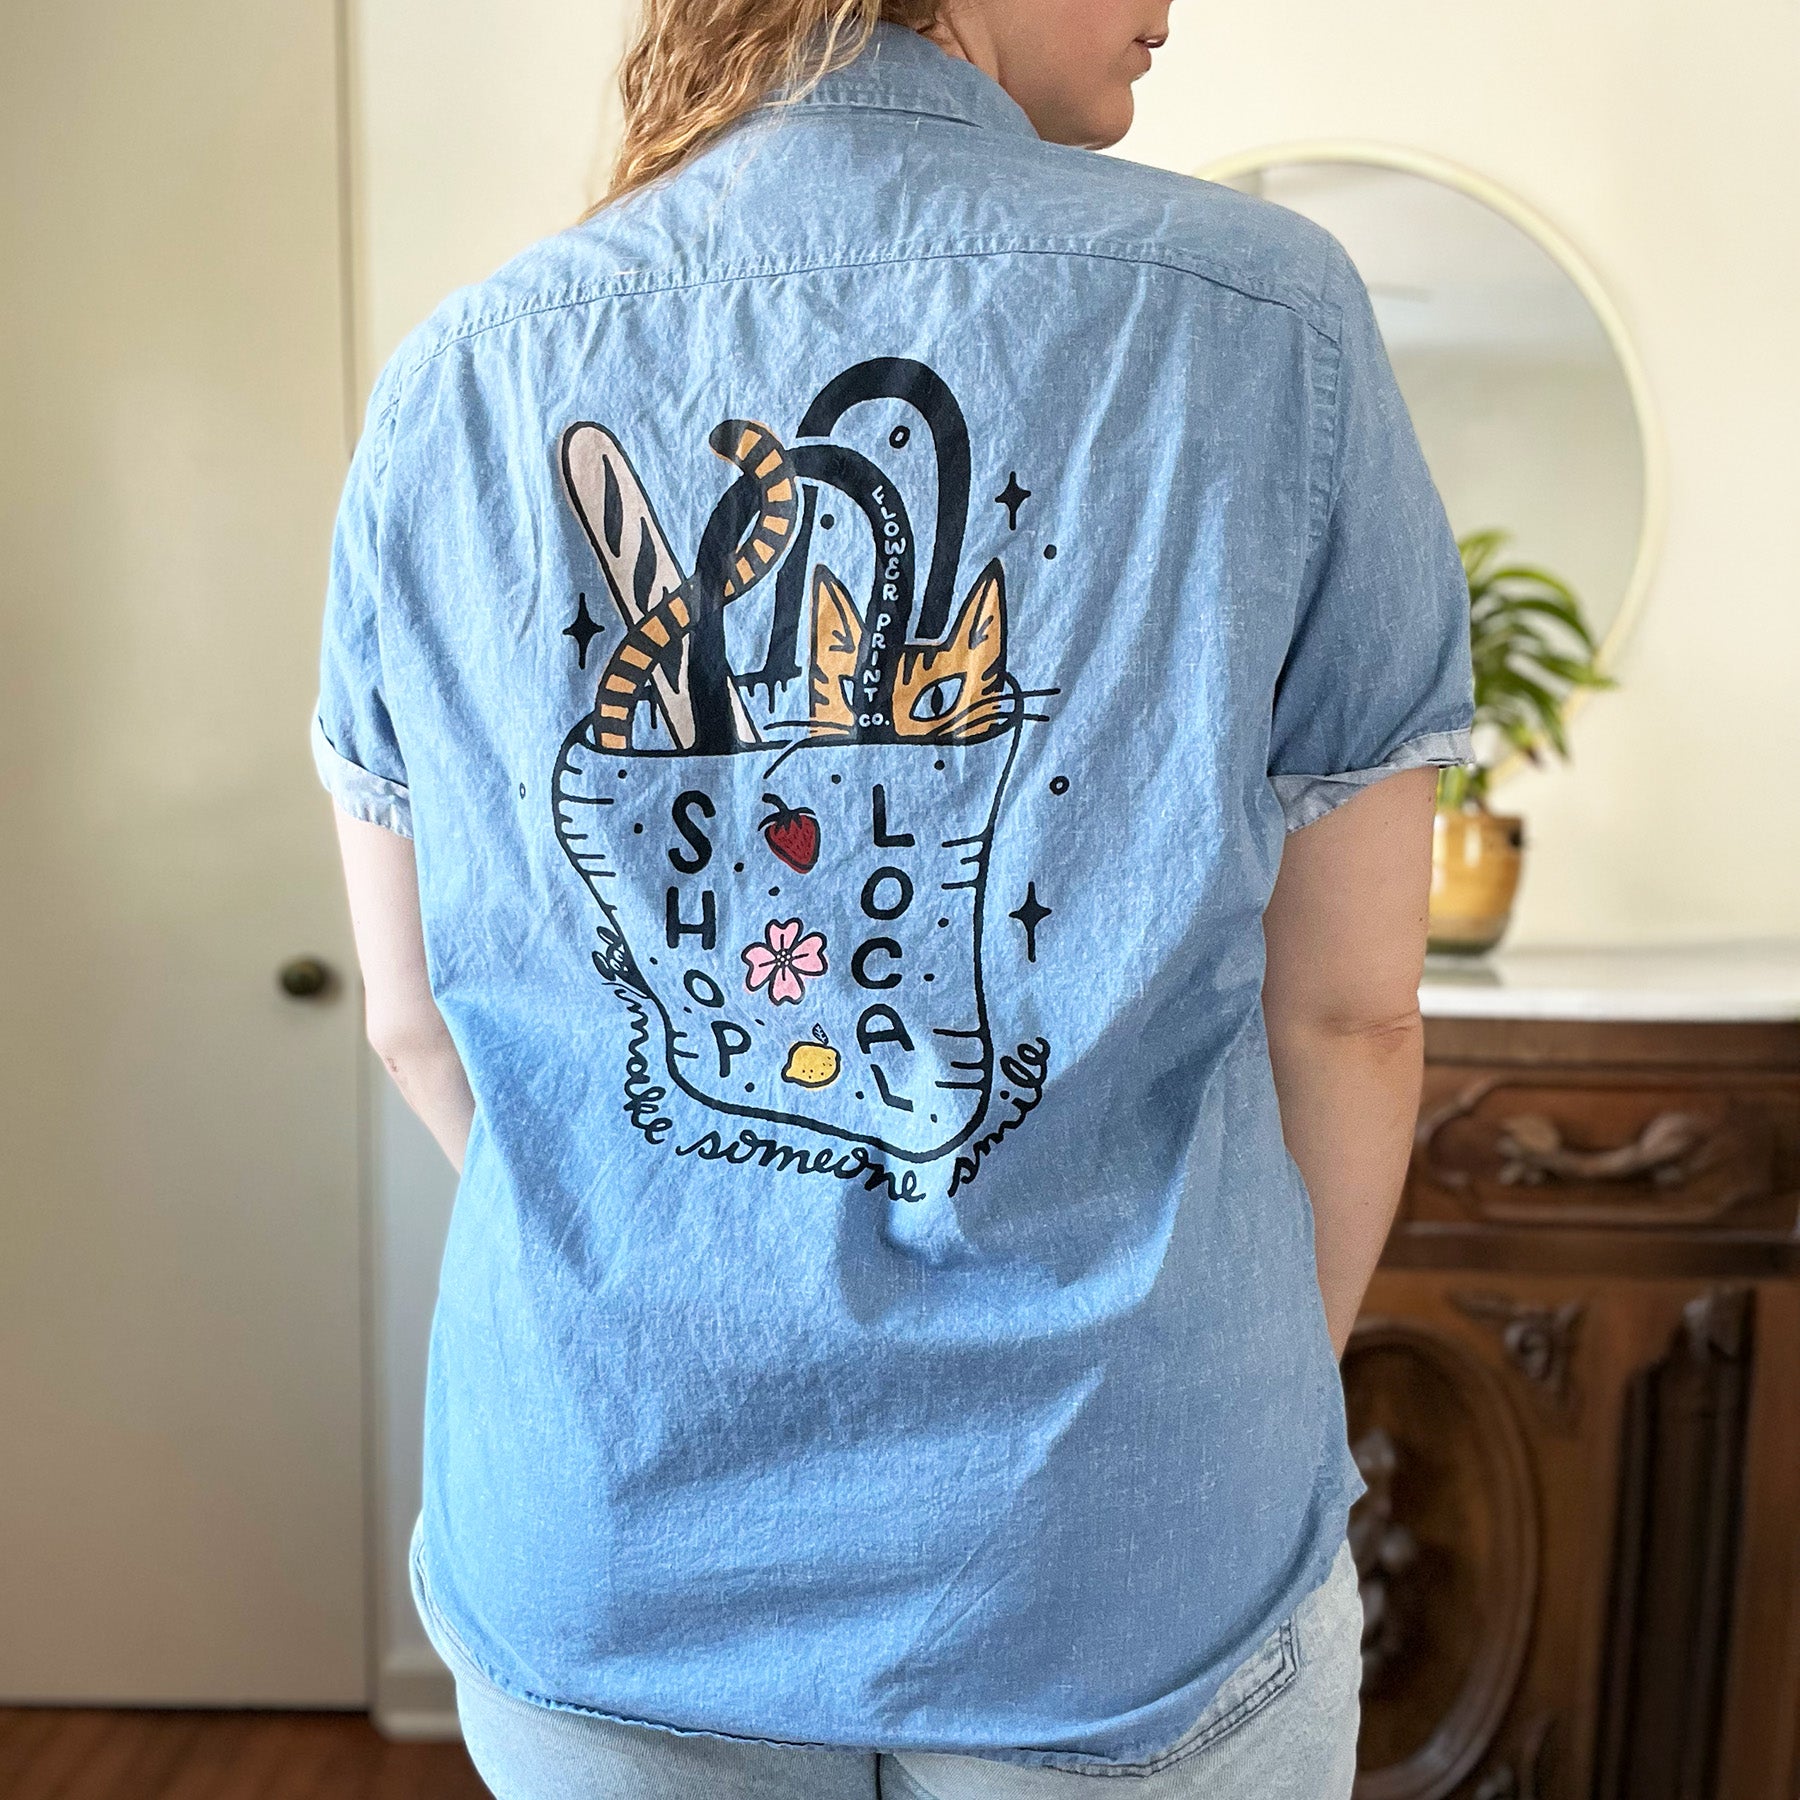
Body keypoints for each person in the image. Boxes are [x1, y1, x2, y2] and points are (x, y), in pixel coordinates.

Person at [315, 1, 1474, 1794]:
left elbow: (414, 1021)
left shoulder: (457, 377)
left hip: (614, 1535)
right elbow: (1350, 1014)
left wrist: (671, 1249)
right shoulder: (1263, 316)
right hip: (1116, 1545)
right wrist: (1230, 1385)